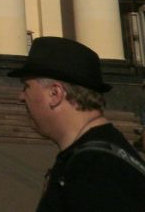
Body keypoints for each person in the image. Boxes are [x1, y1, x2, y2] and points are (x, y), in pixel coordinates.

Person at [9, 36, 145, 210]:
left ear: (55, 93)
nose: (20, 96)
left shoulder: (94, 172)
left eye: (26, 86)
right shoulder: (95, 157)